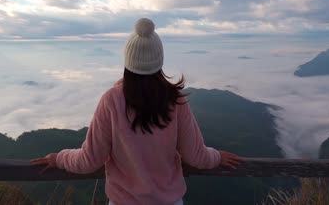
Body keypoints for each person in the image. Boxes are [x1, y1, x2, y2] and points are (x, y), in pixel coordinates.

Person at [31, 18, 243, 205]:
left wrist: (59, 158)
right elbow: (196, 156)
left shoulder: (111, 101)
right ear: (159, 61)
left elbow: (89, 161)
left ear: (128, 61)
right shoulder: (175, 101)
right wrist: (217, 157)